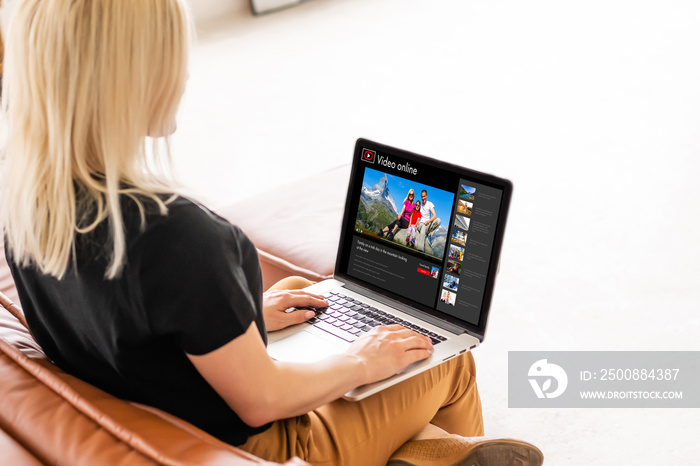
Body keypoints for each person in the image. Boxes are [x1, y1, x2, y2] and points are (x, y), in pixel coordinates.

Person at [0, 1, 542, 465]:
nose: (184, 75)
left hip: (173, 405)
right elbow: (262, 401)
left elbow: (131, 319)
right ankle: (450, 450)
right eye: (172, 55)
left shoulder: (28, 203)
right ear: (132, 78)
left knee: (364, 346)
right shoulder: (177, 238)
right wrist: (363, 361)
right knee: (444, 357)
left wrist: (245, 316)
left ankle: (429, 450)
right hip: (262, 443)